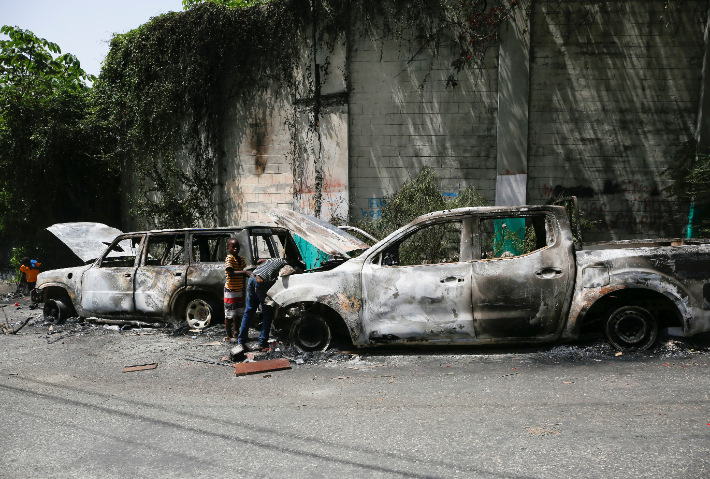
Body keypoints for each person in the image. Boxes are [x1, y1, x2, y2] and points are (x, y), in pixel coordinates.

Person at [232, 255, 297, 354]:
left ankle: (241, 342)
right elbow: (285, 275)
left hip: (252, 278)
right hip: (261, 281)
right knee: (267, 313)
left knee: (249, 312)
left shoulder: (273, 260)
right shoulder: (286, 265)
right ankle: (262, 342)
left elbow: (260, 261)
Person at [224, 239, 248, 343]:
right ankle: (229, 336)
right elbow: (230, 272)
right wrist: (245, 272)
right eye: (233, 247)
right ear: (228, 248)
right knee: (229, 314)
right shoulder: (229, 258)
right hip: (230, 290)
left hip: (239, 290)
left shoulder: (241, 259)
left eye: (237, 246)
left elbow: (244, 270)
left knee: (238, 313)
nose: (235, 248)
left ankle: (236, 332)